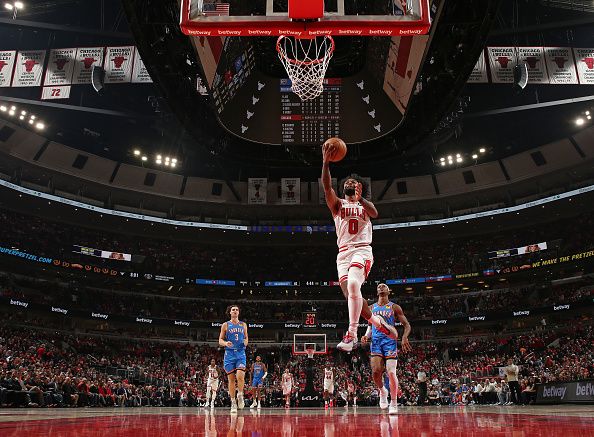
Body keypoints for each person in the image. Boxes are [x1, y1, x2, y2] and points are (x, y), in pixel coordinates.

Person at [321, 144, 398, 351]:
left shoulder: (364, 205)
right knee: (351, 296)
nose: (350, 183)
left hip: (362, 250)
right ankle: (375, 322)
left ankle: (351, 334)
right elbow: (327, 187)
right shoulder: (337, 205)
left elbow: (374, 213)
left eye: (354, 183)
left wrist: (360, 197)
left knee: (355, 286)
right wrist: (326, 163)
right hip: (343, 255)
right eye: (347, 182)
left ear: (359, 188)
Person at [362, 283, 411, 415]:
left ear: (388, 291)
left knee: (391, 372)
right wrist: (366, 336)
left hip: (390, 341)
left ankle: (394, 402)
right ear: (377, 292)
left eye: (384, 286)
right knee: (376, 372)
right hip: (376, 342)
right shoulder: (371, 307)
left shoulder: (394, 307)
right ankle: (383, 391)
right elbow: (369, 326)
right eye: (379, 286)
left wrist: (405, 337)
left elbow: (407, 325)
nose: (381, 287)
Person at [218, 304, 249, 413]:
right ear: (230, 312)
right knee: (231, 379)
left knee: (240, 375)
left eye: (236, 310)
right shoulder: (225, 325)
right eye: (233, 310)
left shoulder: (243, 324)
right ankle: (233, 402)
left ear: (238, 312)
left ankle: (240, 395)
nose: (235, 311)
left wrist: (246, 342)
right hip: (229, 354)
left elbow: (246, 338)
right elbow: (220, 340)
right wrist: (226, 342)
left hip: (240, 353)